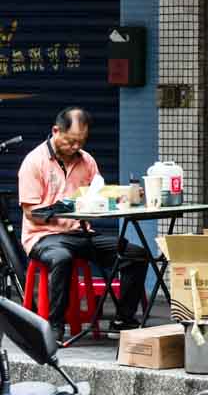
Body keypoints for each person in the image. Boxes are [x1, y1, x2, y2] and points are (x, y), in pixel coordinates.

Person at [18, 108, 145, 329]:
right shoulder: (34, 162)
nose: (76, 147)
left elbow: (100, 197)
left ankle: (123, 319)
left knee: (136, 255)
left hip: (81, 234)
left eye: (81, 141)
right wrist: (65, 208)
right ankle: (54, 328)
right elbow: (32, 215)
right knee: (62, 258)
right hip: (44, 237)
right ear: (56, 131)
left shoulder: (87, 161)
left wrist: (125, 197)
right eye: (71, 141)